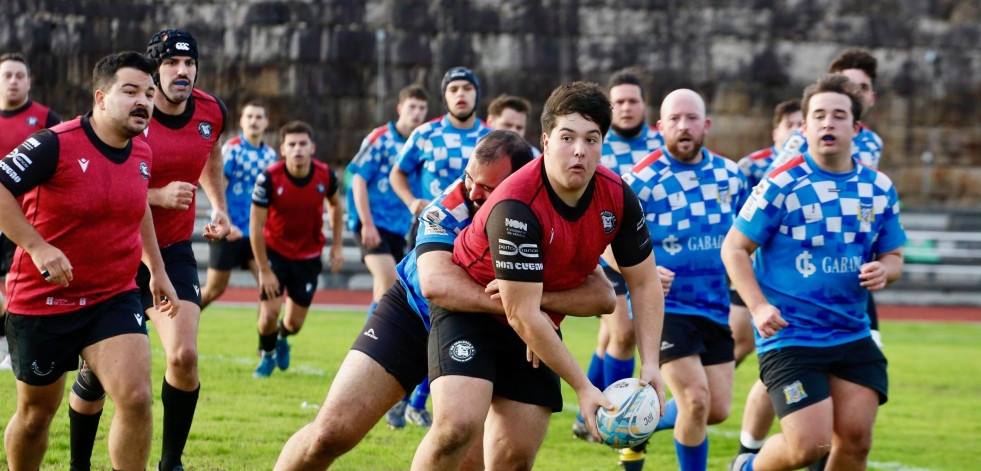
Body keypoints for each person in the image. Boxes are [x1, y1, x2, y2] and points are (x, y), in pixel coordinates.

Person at [274, 130, 617, 470]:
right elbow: (436, 285)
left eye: (487, 187)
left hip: (502, 330)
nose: (472, 191)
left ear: (519, 184)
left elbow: (601, 294)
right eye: (470, 178)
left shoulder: (543, 209)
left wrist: (532, 308)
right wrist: (524, 309)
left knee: (494, 460)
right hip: (414, 314)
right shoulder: (450, 206)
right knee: (330, 434)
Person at [410, 82, 666, 471]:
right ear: (545, 141)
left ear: (602, 144)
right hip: (470, 309)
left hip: (531, 316)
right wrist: (584, 387)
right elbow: (522, 314)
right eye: (567, 137)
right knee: (457, 430)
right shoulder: (517, 202)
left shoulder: (617, 196)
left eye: (591, 139)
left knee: (515, 459)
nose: (579, 150)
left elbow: (643, 283)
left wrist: (651, 365)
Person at [1, 50, 180, 471]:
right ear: (100, 97)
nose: (143, 102)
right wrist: (39, 247)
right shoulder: (53, 143)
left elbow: (140, 209)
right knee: (35, 416)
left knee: (136, 399)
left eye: (149, 94)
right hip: (44, 301)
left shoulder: (142, 153)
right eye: (131, 91)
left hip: (112, 297)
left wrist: (157, 270)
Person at [723, 74, 906, 471]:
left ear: (856, 128)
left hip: (851, 333)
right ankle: (747, 467)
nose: (828, 123)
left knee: (855, 442)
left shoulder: (878, 188)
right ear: (803, 127)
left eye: (839, 116)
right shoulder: (780, 183)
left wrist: (884, 270)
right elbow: (734, 248)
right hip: (791, 337)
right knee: (811, 447)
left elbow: (894, 255)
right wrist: (757, 308)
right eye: (818, 115)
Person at [68, 29, 231, 471]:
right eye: (173, 64)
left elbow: (209, 153)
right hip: (117, 250)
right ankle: (79, 464)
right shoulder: (129, 114)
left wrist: (218, 205)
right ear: (154, 73)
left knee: (184, 355)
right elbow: (104, 175)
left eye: (190, 63)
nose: (184, 71)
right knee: (97, 377)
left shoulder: (212, 111)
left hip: (173, 249)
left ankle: (170, 462)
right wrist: (157, 196)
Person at [616, 89, 749, 471]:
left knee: (717, 409)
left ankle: (634, 423)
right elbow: (604, 240)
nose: (683, 126)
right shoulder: (638, 181)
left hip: (713, 305)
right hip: (663, 306)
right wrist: (637, 270)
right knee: (695, 400)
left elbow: (746, 236)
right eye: (674, 119)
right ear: (660, 128)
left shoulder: (731, 175)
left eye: (692, 118)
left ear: (705, 125)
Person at [574, 69, 671, 448]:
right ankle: (616, 414)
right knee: (622, 332)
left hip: (643, 247)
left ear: (644, 105)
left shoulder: (658, 144)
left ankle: (593, 413)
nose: (627, 108)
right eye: (620, 102)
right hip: (604, 247)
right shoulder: (597, 142)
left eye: (633, 101)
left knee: (611, 338)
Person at [348, 84, 430, 428]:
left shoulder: (423, 143)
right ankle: (374, 342)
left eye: (422, 109)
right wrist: (365, 222)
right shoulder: (381, 138)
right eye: (412, 107)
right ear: (399, 108)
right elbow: (357, 179)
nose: (417, 114)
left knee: (405, 290)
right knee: (387, 280)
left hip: (403, 227)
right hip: (373, 224)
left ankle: (382, 349)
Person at [250, 120, 344, 378]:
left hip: (308, 257)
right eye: (292, 144)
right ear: (283, 149)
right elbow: (255, 225)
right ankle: (267, 356)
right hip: (275, 254)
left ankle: (281, 337)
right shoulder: (269, 178)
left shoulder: (327, 175)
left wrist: (337, 246)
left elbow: (336, 206)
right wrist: (264, 270)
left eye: (303, 143)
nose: (297, 149)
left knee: (294, 324)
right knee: (268, 314)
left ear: (312, 147)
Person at [0, 52, 62, 371]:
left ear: (29, 81)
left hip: (25, 220)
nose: (13, 81)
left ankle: (15, 348)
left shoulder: (46, 119)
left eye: (19, 76)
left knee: (17, 285)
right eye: (7, 75)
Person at [199, 99, 278, 308]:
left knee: (269, 287)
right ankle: (178, 327)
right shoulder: (232, 150)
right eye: (249, 116)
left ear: (266, 122)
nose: (254, 121)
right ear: (241, 121)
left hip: (254, 233)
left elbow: (271, 198)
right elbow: (217, 187)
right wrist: (227, 222)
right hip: (228, 230)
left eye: (259, 117)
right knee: (215, 289)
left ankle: (269, 340)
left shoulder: (271, 156)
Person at [390, 67, 492, 223]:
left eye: (467, 88)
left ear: (477, 94)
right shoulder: (425, 133)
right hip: (432, 225)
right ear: (445, 97)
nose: (460, 93)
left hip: (479, 227)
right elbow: (397, 173)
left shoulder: (492, 137)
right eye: (453, 89)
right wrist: (411, 201)